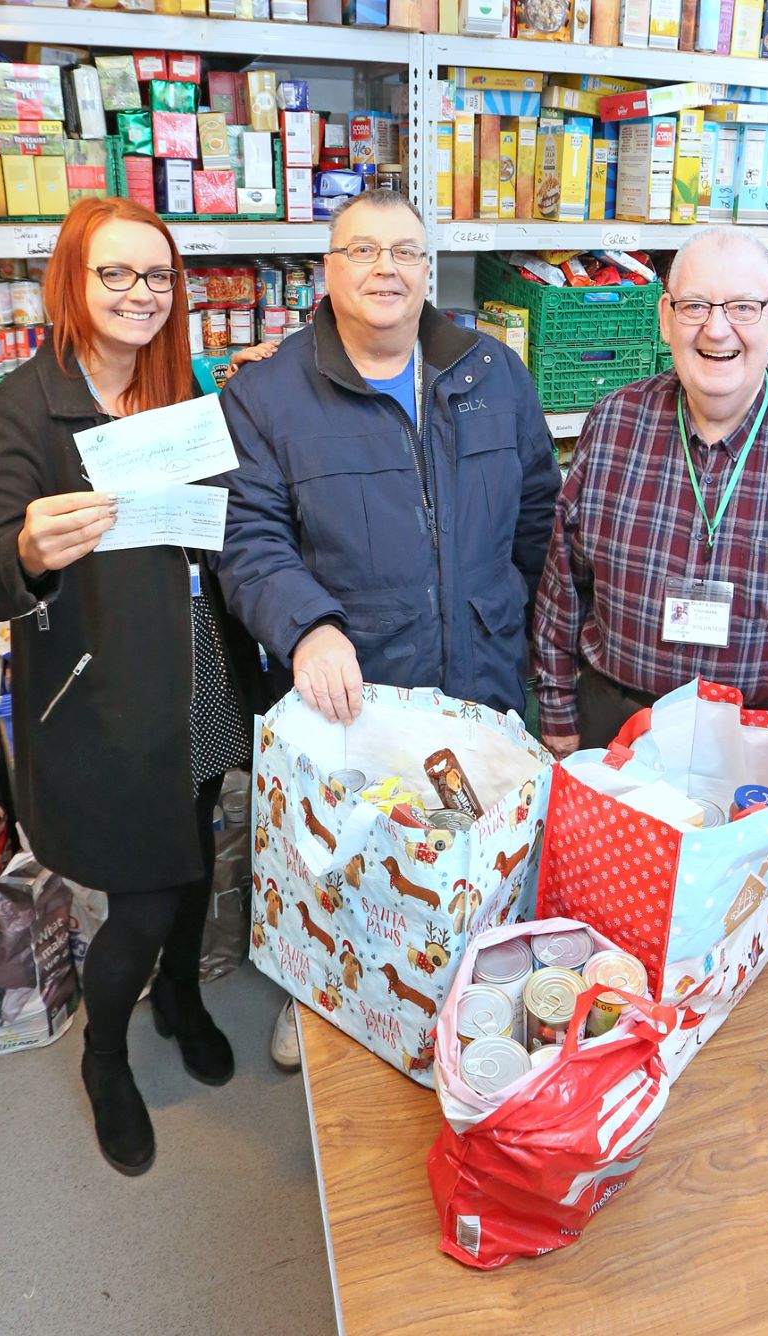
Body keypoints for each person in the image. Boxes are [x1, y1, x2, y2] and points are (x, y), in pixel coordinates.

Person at [214, 187, 560, 1067]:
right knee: (350, 861)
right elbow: (248, 537)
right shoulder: (267, 394)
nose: (385, 268)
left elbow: (535, 515)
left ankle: (467, 992)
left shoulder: (492, 374)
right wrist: (307, 629)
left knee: (472, 838)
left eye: (405, 251)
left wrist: (513, 617)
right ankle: (322, 993)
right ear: (327, 272)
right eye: (362, 251)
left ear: (427, 271)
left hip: (478, 667)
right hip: (357, 686)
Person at [0, 197, 258, 1178]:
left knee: (199, 847)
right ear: (71, 284)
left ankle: (182, 993)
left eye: (158, 277)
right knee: (144, 894)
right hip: (105, 695)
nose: (141, 295)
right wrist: (30, 551)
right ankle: (104, 1053)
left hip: (199, 669)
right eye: (115, 275)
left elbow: (214, 519)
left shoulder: (180, 389)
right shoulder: (23, 407)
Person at [532, 227, 768, 835]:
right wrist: (558, 712)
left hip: (755, 752)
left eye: (743, 307)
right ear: (665, 318)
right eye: (695, 305)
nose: (717, 328)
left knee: (730, 920)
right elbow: (563, 581)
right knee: (603, 913)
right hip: (616, 731)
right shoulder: (614, 422)